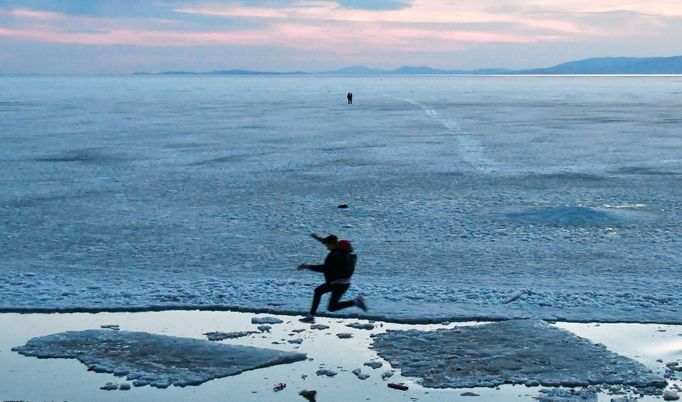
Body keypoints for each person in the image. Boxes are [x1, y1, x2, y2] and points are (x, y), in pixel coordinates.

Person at [297, 233, 366, 323]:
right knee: (318, 291)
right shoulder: (345, 254)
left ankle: (355, 302)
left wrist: (308, 266)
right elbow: (329, 243)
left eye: (328, 245)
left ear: (335, 245)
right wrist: (318, 238)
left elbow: (324, 268)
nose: (327, 248)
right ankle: (311, 316)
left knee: (332, 307)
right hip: (339, 283)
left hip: (339, 284)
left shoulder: (337, 256)